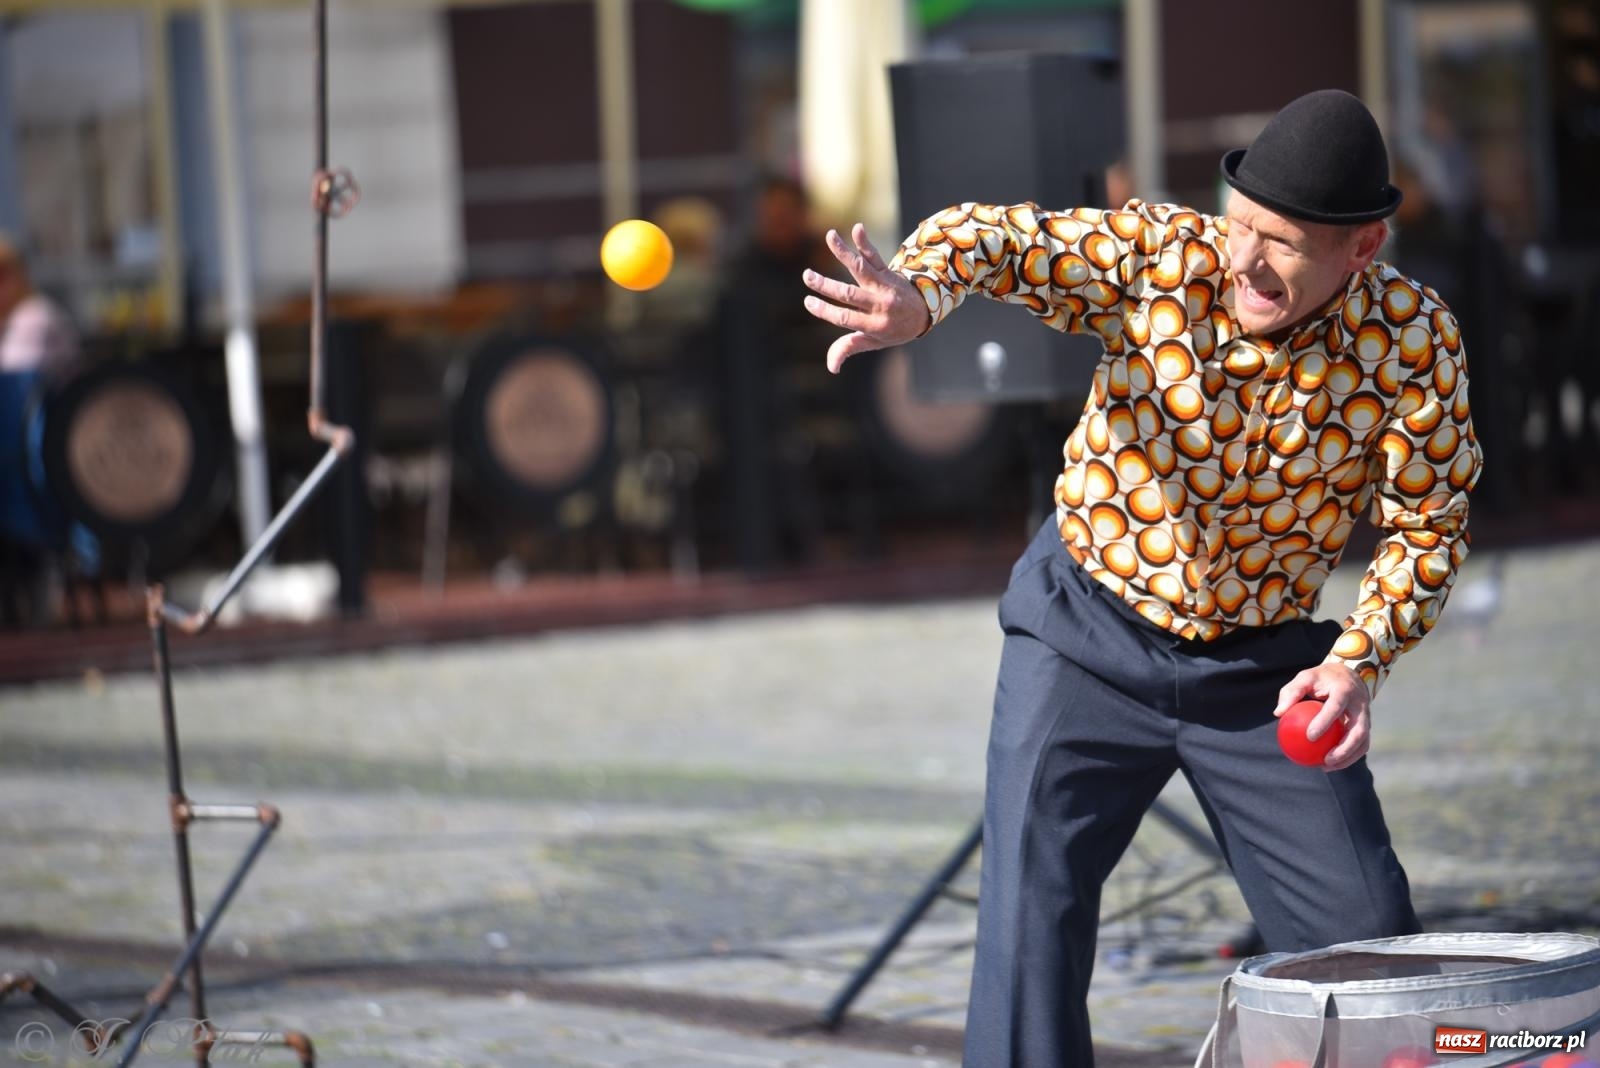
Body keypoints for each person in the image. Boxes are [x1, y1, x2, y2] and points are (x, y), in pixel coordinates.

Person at [802, 90, 1483, 1067]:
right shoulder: (1166, 257)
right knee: (1029, 929)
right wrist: (919, 296)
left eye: (1280, 242)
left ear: (1362, 246)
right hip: (1085, 635)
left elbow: (1426, 525)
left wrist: (1359, 662)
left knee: (1365, 944)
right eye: (1239, 222)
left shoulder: (1415, 343)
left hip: (1263, 675)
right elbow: (988, 238)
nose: (1244, 258)